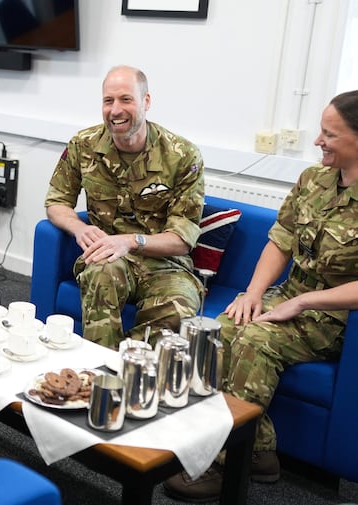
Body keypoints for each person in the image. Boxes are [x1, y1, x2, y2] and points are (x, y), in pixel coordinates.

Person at [164, 90, 358, 502]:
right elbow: (280, 240)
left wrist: (303, 302)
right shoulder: (314, 180)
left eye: (329, 134)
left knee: (256, 341)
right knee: (217, 330)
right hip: (288, 295)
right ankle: (259, 451)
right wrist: (252, 293)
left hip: (335, 317)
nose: (318, 141)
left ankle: (223, 463)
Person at [44, 65, 205, 349]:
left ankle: (127, 365)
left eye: (126, 99)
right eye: (108, 101)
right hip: (107, 256)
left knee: (178, 307)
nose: (115, 110)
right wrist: (79, 228)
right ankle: (98, 367)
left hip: (166, 265)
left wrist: (130, 241)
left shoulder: (182, 155)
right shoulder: (84, 145)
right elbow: (56, 202)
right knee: (100, 274)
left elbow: (182, 240)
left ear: (146, 101)